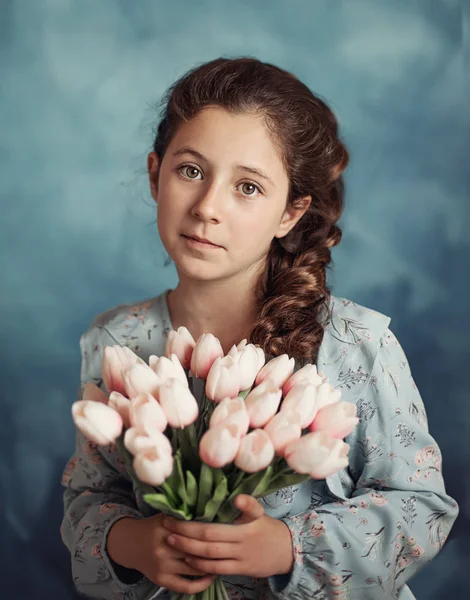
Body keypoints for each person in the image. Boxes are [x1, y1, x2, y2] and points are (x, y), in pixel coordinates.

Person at [60, 57, 458, 600]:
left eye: (248, 187)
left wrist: (288, 547)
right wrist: (130, 542)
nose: (207, 208)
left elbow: (423, 507)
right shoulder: (115, 341)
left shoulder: (354, 344)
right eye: (191, 171)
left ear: (290, 215)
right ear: (155, 174)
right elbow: (88, 496)